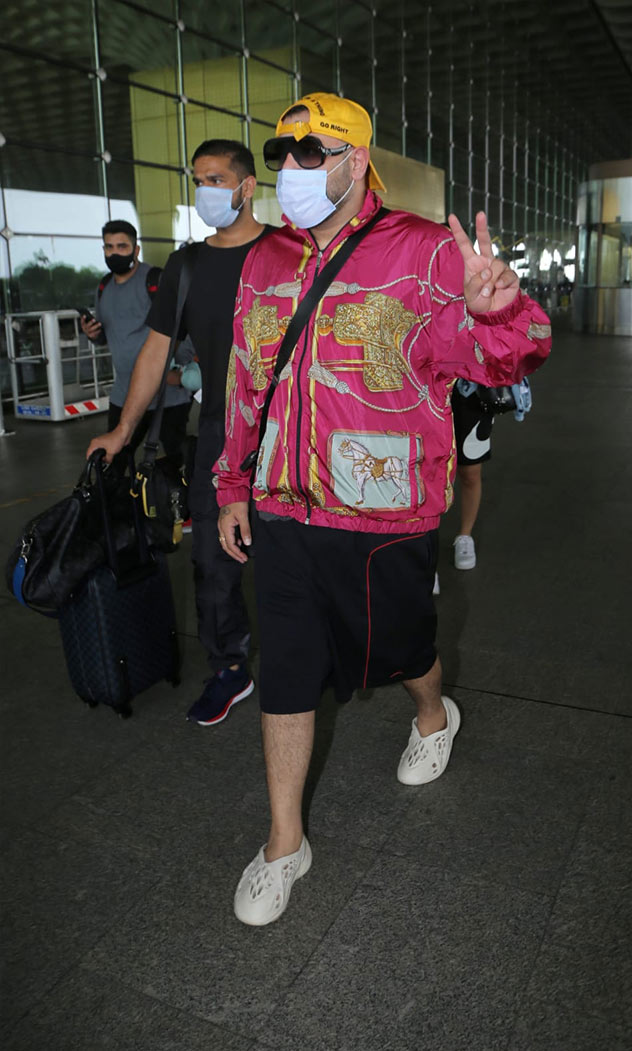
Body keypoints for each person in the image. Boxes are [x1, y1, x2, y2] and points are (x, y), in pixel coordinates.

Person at [215, 93, 552, 926]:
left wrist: (499, 308)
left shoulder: (422, 249)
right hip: (284, 506)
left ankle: (435, 710)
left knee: (401, 648)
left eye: (310, 150)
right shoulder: (264, 262)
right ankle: (285, 842)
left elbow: (505, 358)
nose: (291, 165)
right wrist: (231, 483)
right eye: (283, 150)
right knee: (287, 664)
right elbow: (245, 380)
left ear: (356, 161)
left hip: (380, 507)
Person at [87, 141, 271, 725]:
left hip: (293, 432)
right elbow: (154, 353)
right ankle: (230, 670)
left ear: (245, 187)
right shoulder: (188, 267)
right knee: (214, 563)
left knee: (300, 556)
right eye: (198, 179)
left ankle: (313, 653)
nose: (205, 190)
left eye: (216, 178)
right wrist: (121, 431)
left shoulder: (290, 254)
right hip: (219, 434)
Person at [81, 220, 192, 473]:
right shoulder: (104, 287)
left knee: (177, 464)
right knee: (113, 463)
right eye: (109, 247)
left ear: (136, 250)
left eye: (122, 246)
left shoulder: (156, 280)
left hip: (167, 397)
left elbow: (184, 329)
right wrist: (92, 334)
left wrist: (179, 373)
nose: (115, 252)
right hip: (124, 394)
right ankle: (121, 511)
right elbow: (107, 336)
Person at [450, 379, 495, 570]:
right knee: (425, 468)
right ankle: (425, 546)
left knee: (470, 472)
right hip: (425, 380)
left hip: (472, 385)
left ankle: (465, 535)